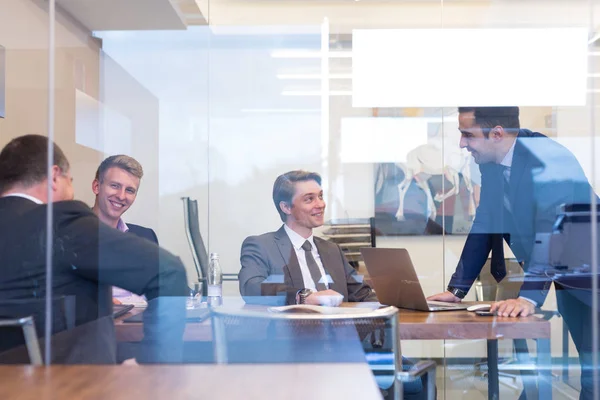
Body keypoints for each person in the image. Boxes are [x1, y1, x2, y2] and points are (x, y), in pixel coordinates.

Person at [427, 107, 598, 399]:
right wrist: (457, 289)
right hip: (568, 274)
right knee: (589, 365)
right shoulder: (492, 162)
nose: (462, 144)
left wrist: (530, 296)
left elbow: (552, 227)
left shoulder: (548, 158)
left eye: (467, 134)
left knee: (593, 372)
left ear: (497, 134)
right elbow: (486, 220)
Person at [0, 135, 188, 364]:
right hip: (69, 386)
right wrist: (152, 368)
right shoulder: (62, 223)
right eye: (70, 181)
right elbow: (168, 272)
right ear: (55, 177)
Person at [239, 170, 377, 305]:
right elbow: (251, 289)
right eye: (309, 199)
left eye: (320, 196)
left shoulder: (332, 250)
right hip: (290, 326)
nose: (320, 204)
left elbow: (362, 294)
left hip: (336, 326)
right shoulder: (262, 246)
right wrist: (305, 297)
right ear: (286, 207)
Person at [92, 155, 158, 304]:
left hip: (146, 322)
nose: (121, 196)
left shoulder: (145, 236)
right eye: (115, 186)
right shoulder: (72, 235)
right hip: (106, 322)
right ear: (96, 187)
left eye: (129, 190)